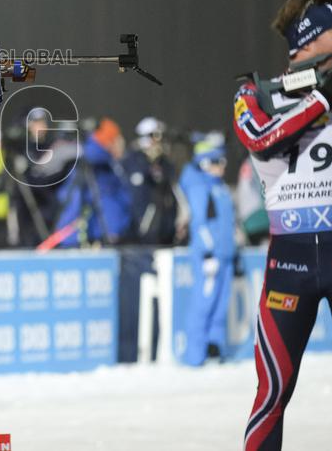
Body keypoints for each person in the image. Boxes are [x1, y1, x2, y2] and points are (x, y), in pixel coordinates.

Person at [234, 0, 332, 450]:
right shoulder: (253, 94)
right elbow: (261, 139)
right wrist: (325, 96)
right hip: (290, 264)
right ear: (307, 37)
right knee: (272, 394)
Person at [179, 135, 236, 366]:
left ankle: (215, 348)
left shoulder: (220, 188)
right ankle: (195, 355)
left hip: (225, 255)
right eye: (217, 162)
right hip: (210, 257)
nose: (222, 167)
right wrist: (208, 253)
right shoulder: (201, 188)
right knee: (203, 304)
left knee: (221, 305)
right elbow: (200, 223)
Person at [52, 118, 132, 247]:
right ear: (109, 142)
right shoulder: (91, 162)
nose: (121, 143)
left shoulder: (109, 165)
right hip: (99, 235)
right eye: (117, 139)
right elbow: (73, 201)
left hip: (110, 233)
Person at [121, 116, 185, 245]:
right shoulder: (130, 163)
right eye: (155, 135)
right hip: (138, 236)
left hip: (164, 234)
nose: (159, 140)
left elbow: (174, 194)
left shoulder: (166, 165)